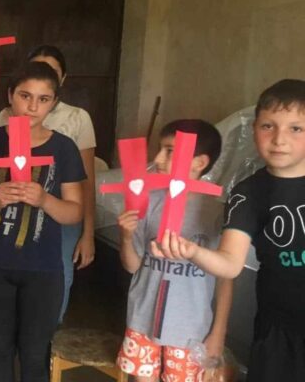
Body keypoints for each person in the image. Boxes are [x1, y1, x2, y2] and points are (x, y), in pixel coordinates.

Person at [153, 79, 305, 382]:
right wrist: (194, 251)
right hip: (277, 330)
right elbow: (230, 264)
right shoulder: (248, 193)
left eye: (295, 128)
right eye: (268, 126)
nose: (279, 139)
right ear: (254, 130)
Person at [0, 61, 85, 381]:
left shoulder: (64, 148)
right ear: (10, 95)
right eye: (25, 96)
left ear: (54, 103)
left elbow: (74, 212)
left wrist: (44, 200)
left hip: (43, 268)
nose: (32, 106)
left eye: (43, 99)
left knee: (34, 352)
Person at [115, 119, 232, 381]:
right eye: (159, 149)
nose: (157, 158)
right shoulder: (148, 201)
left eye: (169, 151)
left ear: (199, 162)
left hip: (190, 330)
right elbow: (133, 266)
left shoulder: (217, 212)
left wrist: (218, 333)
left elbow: (226, 278)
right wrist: (126, 237)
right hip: (142, 321)